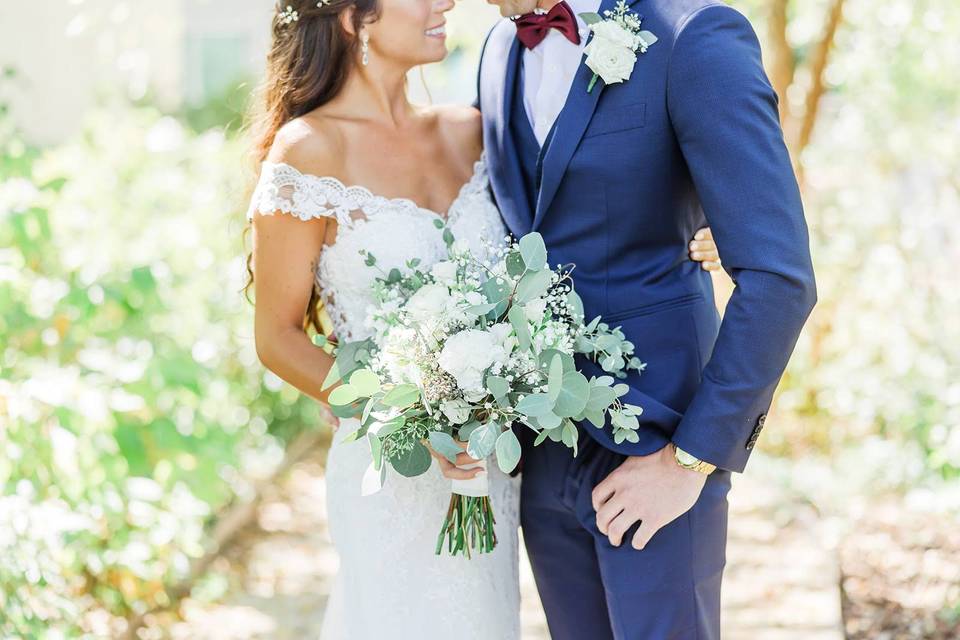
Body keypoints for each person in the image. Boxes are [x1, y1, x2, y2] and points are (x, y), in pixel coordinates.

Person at [243, 1, 734, 638]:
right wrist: (402, 417)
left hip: (493, 466)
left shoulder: (471, 130)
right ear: (352, 18)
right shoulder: (307, 151)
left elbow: (588, 200)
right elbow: (277, 337)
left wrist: (714, 218)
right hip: (393, 471)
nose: (445, 2)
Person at [465, 0, 817, 637]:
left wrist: (690, 461)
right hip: (540, 450)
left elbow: (779, 277)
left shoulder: (692, 34)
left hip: (659, 440)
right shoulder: (496, 51)